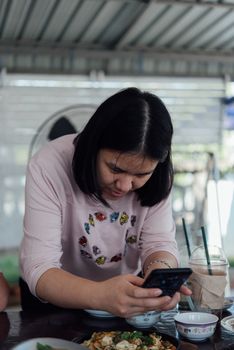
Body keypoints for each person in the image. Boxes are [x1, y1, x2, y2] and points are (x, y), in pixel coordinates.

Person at [20, 87, 191, 317]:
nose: (124, 185)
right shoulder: (49, 166)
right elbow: (39, 267)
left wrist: (161, 274)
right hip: (53, 303)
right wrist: (101, 296)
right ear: (93, 145)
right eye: (115, 168)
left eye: (140, 175)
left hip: (124, 304)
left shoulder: (159, 179)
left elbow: (159, 244)